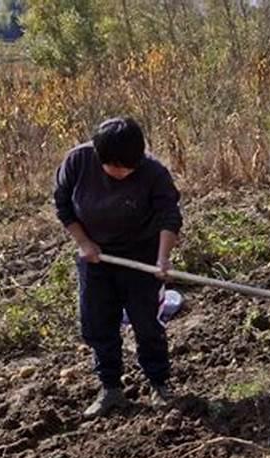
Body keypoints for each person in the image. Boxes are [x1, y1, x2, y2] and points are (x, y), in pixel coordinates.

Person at [53, 117, 183, 418]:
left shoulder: (153, 173)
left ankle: (159, 384)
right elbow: (63, 206)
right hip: (96, 257)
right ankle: (110, 388)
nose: (124, 173)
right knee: (98, 323)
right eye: (116, 167)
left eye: (129, 167)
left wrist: (162, 258)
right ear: (100, 157)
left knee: (146, 323)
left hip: (141, 256)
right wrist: (85, 243)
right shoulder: (78, 162)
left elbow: (169, 216)